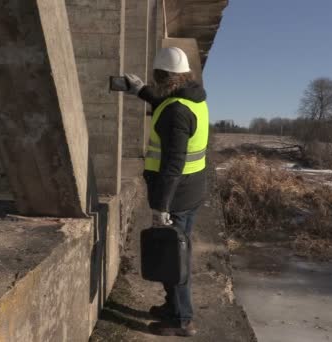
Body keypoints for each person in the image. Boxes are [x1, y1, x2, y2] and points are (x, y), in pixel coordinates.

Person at [124, 47, 209, 337]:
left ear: (163, 76)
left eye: (155, 77)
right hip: (191, 190)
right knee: (175, 254)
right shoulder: (191, 97)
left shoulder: (176, 111)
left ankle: (182, 320)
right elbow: (164, 102)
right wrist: (139, 91)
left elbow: (173, 163)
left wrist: (161, 206)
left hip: (177, 196)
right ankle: (172, 307)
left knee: (176, 257)